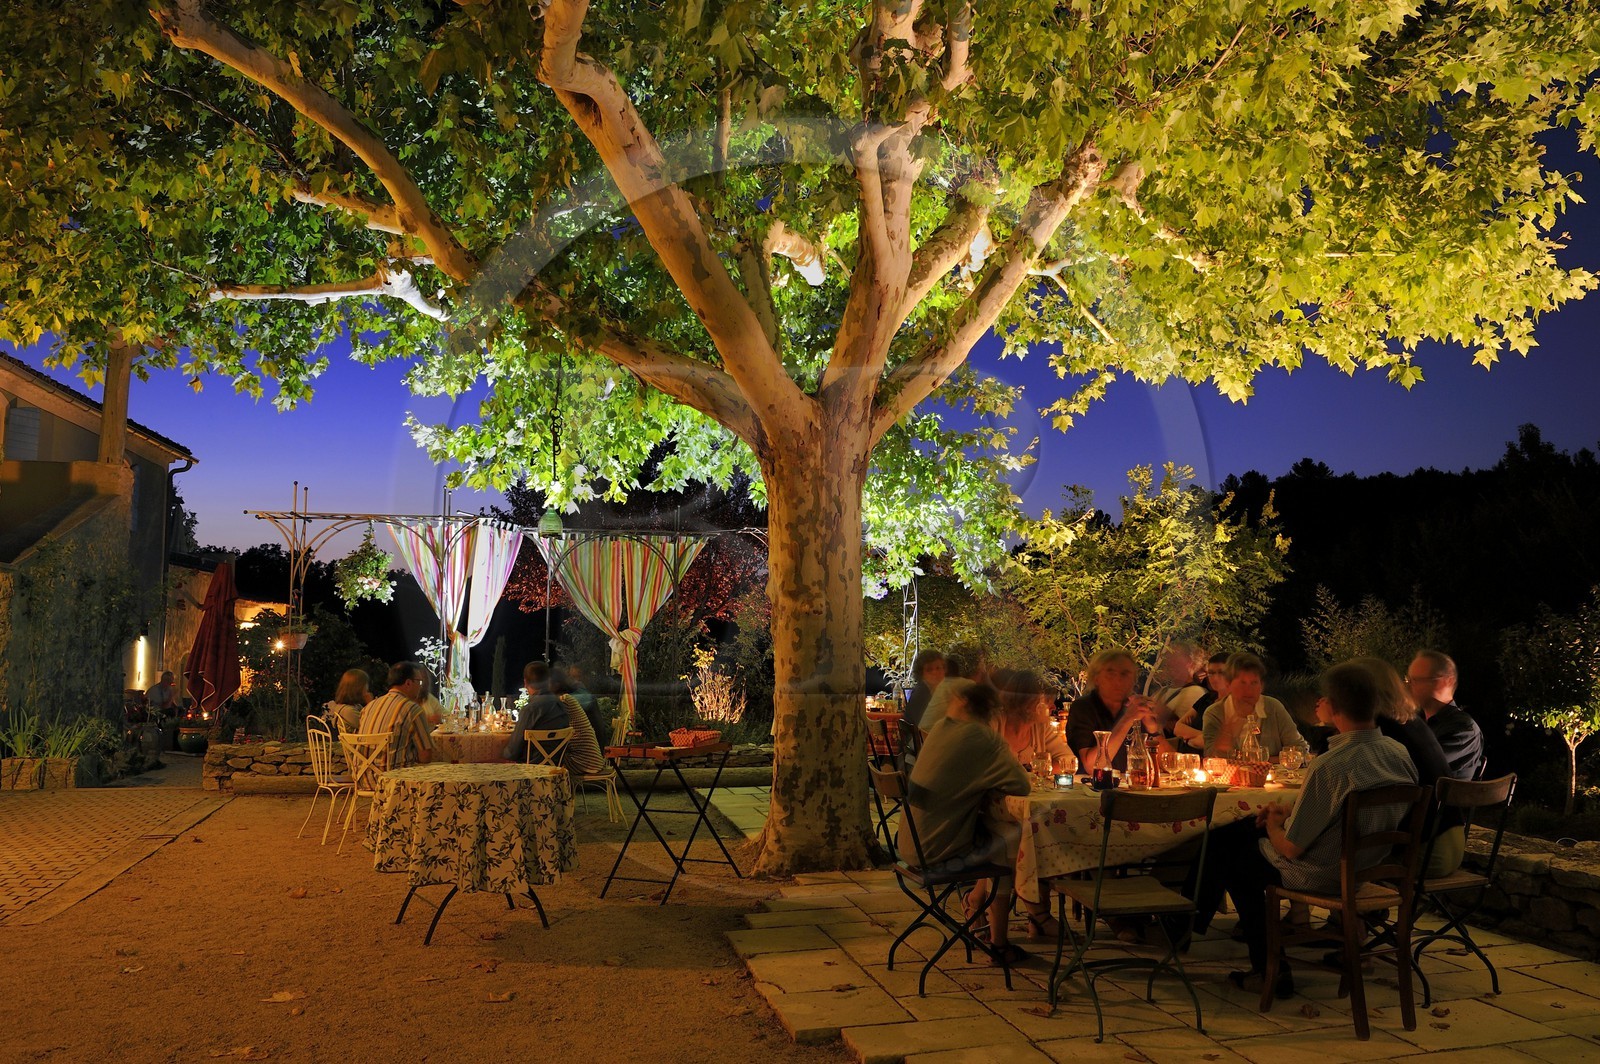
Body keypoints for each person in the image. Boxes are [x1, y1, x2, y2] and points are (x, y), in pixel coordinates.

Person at [1191, 659, 1419, 997]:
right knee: (1229, 836)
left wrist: (1272, 823)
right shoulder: (1398, 753)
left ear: (1335, 706)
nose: (1318, 703)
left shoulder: (1330, 765)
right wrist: (1286, 813)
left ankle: (1270, 971)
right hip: (1367, 867)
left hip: (1323, 873)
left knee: (1235, 860)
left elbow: (1290, 849)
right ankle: (1190, 924)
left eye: (1323, 697)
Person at [900, 681, 1031, 963]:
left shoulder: (939, 730)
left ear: (960, 703)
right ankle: (999, 943)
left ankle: (976, 904)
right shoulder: (983, 738)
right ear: (992, 713)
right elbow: (1021, 784)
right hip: (937, 851)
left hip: (910, 845)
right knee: (1009, 835)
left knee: (999, 834)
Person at [1354, 656, 1462, 876]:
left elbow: (1341, 771)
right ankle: (1364, 911)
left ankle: (1357, 910)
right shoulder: (1410, 721)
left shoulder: (1379, 729)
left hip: (1424, 852)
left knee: (1329, 856)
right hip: (1452, 840)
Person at [1067, 649, 1166, 771]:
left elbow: (1169, 765)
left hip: (1134, 786)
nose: (1118, 680)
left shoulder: (1138, 707)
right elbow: (1093, 768)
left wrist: (1153, 730)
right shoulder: (1083, 707)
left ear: (1134, 680)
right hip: (1093, 788)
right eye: (1110, 672)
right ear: (1096, 678)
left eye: (1125, 674)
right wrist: (1128, 719)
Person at [1201, 653, 1301, 760]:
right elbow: (1211, 757)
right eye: (1242, 683)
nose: (1249, 690)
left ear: (1261, 686)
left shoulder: (1273, 707)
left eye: (1254, 683)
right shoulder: (1215, 713)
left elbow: (1298, 747)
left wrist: (1266, 762)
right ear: (1228, 684)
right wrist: (1232, 726)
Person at [1407, 651, 1486, 781]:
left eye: (1418, 680)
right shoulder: (1416, 721)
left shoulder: (1464, 729)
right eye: (1409, 680)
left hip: (1436, 800)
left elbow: (1416, 767)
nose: (1410, 686)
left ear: (1447, 682)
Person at [993, 670, 1074, 775]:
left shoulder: (1042, 728)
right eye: (1047, 702)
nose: (1053, 707)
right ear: (1027, 703)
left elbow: (1069, 761)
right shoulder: (993, 725)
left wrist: (1033, 773)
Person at [359, 662, 436, 767]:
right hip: (394, 779)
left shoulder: (369, 707)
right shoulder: (412, 709)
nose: (420, 686)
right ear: (408, 683)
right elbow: (426, 756)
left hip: (362, 776)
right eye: (419, 682)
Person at [502, 661, 571, 761]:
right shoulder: (561, 704)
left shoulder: (530, 710)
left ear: (525, 683)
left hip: (530, 768)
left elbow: (512, 752)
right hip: (556, 766)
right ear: (548, 682)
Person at [550, 667, 610, 777]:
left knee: (547, 765)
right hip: (593, 758)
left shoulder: (565, 700)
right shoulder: (570, 697)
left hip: (586, 762)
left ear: (555, 685)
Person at [917, 643, 988, 732]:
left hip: (921, 734)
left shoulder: (942, 685)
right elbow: (982, 691)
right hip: (930, 736)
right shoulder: (962, 683)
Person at [902, 650, 947, 730]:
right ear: (921, 673)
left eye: (938, 668)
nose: (935, 672)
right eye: (929, 669)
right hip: (920, 740)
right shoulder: (921, 694)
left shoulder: (937, 691)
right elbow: (926, 728)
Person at [323, 668, 371, 734]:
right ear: (358, 687)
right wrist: (371, 704)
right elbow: (371, 726)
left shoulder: (353, 706)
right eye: (366, 685)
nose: (367, 688)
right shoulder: (348, 711)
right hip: (359, 743)